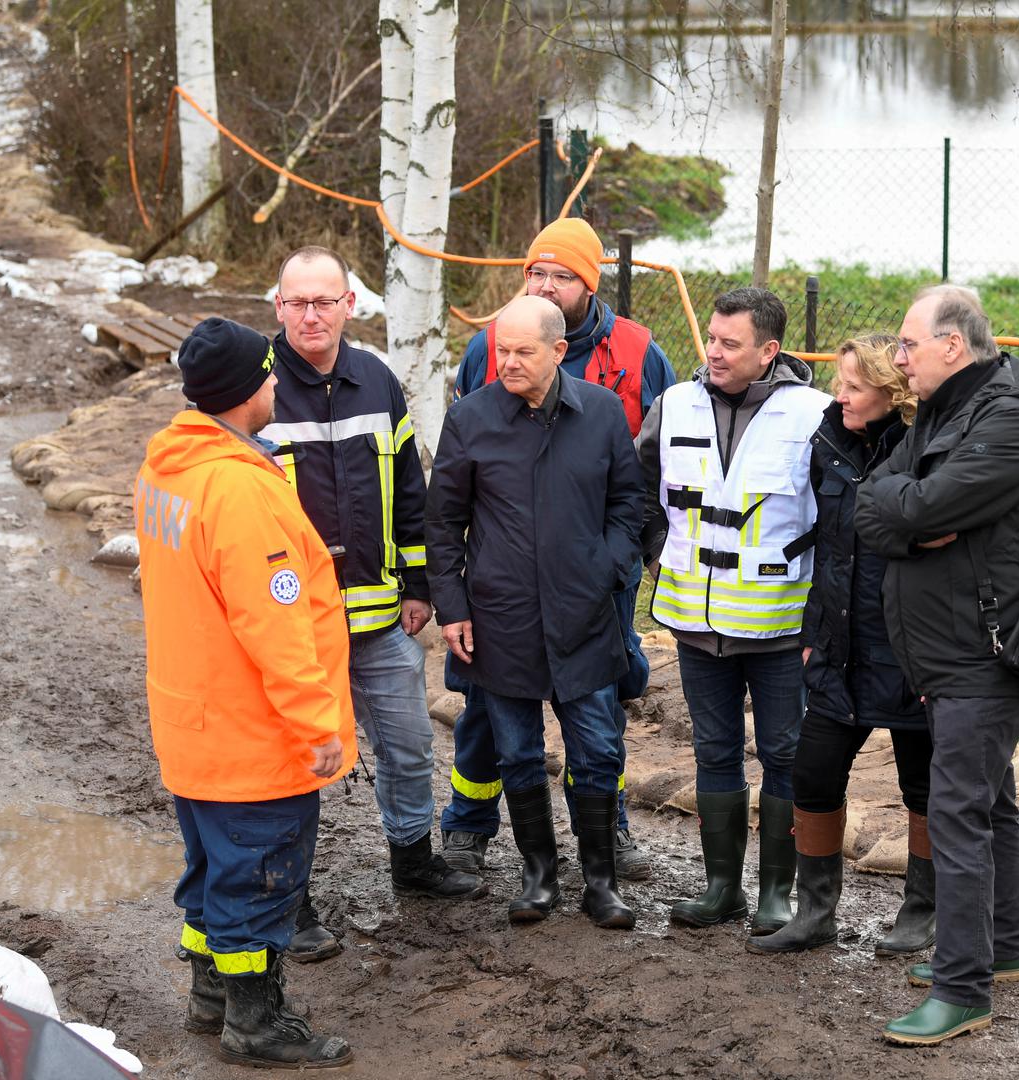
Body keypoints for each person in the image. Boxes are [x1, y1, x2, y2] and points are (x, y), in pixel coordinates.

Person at [136, 317, 356, 1068]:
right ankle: (256, 1024)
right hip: (252, 735)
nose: (275, 383)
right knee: (261, 879)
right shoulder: (237, 488)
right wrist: (317, 725)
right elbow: (274, 625)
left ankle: (208, 999)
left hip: (194, 723)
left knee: (209, 869)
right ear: (242, 392)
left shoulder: (169, 466)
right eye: (268, 374)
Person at [262, 246, 481, 963]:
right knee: (294, 770)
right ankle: (288, 899)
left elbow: (411, 497)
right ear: (278, 308)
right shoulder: (257, 391)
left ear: (349, 305)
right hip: (295, 630)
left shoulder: (378, 382)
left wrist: (418, 586)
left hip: (382, 619)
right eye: (298, 302)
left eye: (325, 301)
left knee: (410, 747)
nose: (311, 315)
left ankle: (412, 860)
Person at [854, 285, 1019, 1046]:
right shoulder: (943, 407)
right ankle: (1001, 951)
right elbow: (872, 502)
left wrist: (908, 514)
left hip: (986, 649)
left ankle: (961, 988)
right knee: (989, 802)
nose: (897, 359)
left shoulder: (1009, 419)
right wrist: (909, 519)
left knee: (956, 813)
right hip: (945, 646)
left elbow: (918, 506)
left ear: (953, 343)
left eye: (908, 345)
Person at [441, 217, 674, 885]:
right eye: (534, 271)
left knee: (594, 716)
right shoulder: (491, 349)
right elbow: (457, 482)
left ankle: (610, 834)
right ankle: (469, 824)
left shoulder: (635, 352)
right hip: (505, 585)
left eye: (561, 274)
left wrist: (615, 562)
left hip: (595, 569)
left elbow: (650, 465)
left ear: (587, 284)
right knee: (491, 713)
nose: (544, 283)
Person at [424, 295, 645, 929]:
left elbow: (629, 503)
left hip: (585, 617)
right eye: (502, 351)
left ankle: (600, 882)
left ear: (558, 350)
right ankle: (539, 874)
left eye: (524, 351)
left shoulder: (601, 413)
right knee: (516, 753)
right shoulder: (470, 418)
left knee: (598, 750)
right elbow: (444, 526)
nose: (509, 362)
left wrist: (605, 568)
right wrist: (455, 606)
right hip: (503, 619)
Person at [637, 286, 830, 935]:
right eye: (711, 340)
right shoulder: (673, 405)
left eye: (730, 344)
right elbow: (635, 490)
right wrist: (660, 548)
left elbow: (838, 516)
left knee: (784, 754)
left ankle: (775, 893)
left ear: (768, 351)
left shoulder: (814, 414)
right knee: (713, 751)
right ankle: (721, 888)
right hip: (694, 623)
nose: (713, 353)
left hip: (777, 624)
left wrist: (821, 616)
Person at [746, 334, 934, 957]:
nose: (839, 395)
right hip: (837, 644)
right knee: (813, 772)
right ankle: (816, 912)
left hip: (911, 649)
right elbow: (826, 546)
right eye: (840, 383)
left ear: (894, 391)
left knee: (924, 786)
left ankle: (923, 910)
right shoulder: (829, 441)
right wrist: (810, 635)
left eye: (854, 386)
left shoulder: (927, 449)